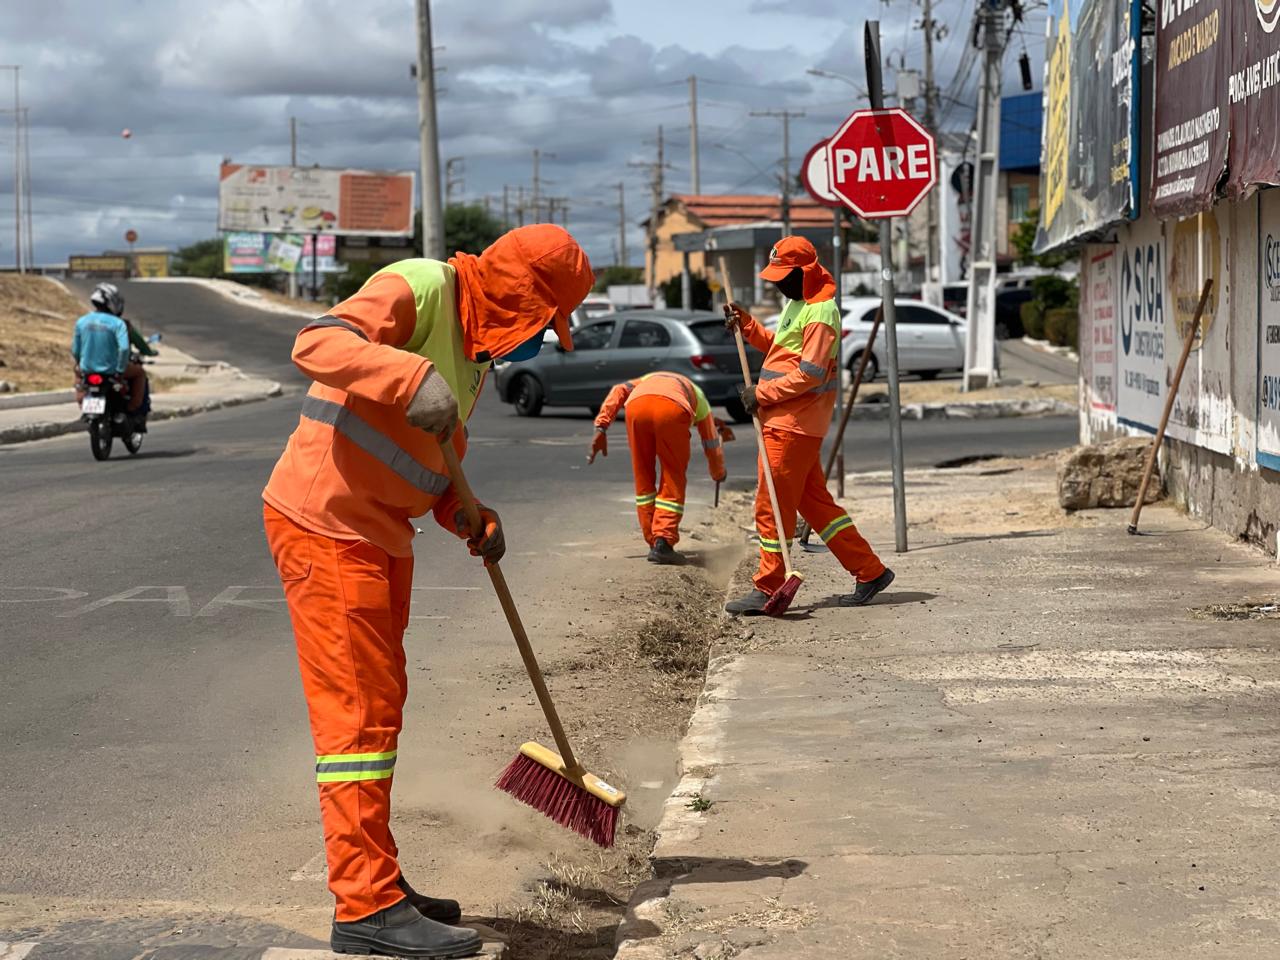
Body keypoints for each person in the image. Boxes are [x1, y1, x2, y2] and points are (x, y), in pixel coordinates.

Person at [262, 225, 593, 959]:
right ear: (520, 297)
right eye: (543, 322)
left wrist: (467, 511)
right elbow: (317, 342)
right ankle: (365, 906)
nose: (539, 340)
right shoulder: (421, 286)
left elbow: (428, 456)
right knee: (356, 722)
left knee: (378, 712)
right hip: (327, 522)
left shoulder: (472, 358)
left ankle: (377, 878)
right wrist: (409, 377)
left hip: (380, 534)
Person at [721, 236, 895, 615]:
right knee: (815, 506)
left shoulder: (820, 312)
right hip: (790, 423)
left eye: (784, 276)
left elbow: (810, 374)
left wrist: (762, 395)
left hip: (791, 424)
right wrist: (747, 324)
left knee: (771, 507)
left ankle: (768, 585)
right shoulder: (799, 305)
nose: (778, 283)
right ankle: (870, 571)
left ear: (805, 272)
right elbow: (780, 351)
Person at [588, 371, 732, 564]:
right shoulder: (700, 400)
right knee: (673, 475)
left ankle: (651, 539)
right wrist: (718, 473)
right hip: (673, 409)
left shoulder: (649, 378)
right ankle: (663, 541)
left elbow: (619, 390)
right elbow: (712, 444)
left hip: (637, 406)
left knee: (643, 474)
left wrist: (601, 427)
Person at [72, 282, 148, 413]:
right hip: (112, 371)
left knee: (78, 374)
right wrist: (119, 370)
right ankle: (134, 406)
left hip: (88, 370)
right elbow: (124, 349)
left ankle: (81, 401)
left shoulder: (82, 321)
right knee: (140, 373)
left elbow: (75, 350)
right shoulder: (118, 323)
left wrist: (80, 363)